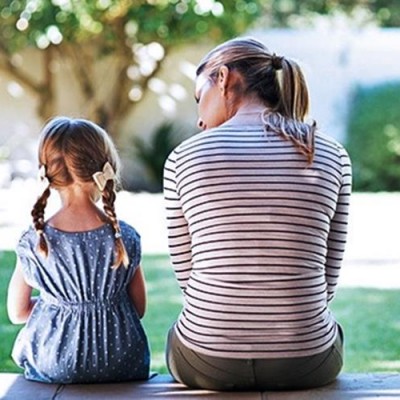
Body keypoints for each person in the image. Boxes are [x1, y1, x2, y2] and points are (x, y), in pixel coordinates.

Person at [163, 37, 352, 391]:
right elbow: (327, 277)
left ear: (223, 78)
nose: (199, 119)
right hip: (306, 361)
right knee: (331, 331)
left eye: (198, 97)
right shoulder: (331, 154)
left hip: (207, 361)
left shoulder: (183, 158)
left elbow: (188, 278)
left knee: (179, 334)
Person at [7, 116, 150, 383]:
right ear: (105, 168)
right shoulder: (125, 236)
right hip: (122, 361)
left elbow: (17, 313)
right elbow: (138, 308)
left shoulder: (34, 241)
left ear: (47, 173)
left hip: (55, 364)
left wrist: (59, 304)